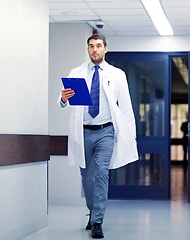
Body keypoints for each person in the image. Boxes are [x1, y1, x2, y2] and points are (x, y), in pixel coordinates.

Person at [59, 34, 139, 239]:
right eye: (91, 46)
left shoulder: (117, 74)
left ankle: (98, 221)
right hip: (83, 131)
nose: (95, 49)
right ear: (87, 49)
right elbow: (66, 102)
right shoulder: (76, 73)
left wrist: (132, 136)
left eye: (98, 46)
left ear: (106, 48)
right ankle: (92, 212)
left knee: (102, 174)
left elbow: (126, 107)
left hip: (106, 131)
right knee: (86, 178)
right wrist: (62, 99)